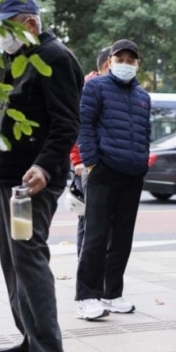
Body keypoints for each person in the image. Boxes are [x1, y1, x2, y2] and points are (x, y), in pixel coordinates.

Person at [0, 0, 83, 352]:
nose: (1, 39)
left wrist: (44, 166)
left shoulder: (55, 58)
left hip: (32, 181)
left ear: (28, 24)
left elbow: (66, 122)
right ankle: (30, 337)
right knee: (12, 261)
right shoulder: (17, 60)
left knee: (28, 257)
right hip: (10, 176)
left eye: (5, 29)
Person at [75, 40, 151, 320]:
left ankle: (111, 293)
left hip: (132, 174)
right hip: (103, 172)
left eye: (131, 60)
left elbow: (146, 131)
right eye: (121, 58)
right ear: (109, 61)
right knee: (95, 237)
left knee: (122, 238)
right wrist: (92, 161)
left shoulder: (143, 95)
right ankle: (86, 296)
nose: (126, 64)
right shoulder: (95, 87)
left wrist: (142, 161)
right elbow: (84, 124)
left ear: (138, 64)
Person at [70, 46, 110, 257]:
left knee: (97, 218)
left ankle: (92, 265)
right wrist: (79, 160)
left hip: (98, 162)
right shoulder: (90, 86)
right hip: (86, 164)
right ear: (107, 64)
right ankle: (84, 263)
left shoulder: (104, 87)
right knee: (88, 218)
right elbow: (79, 126)